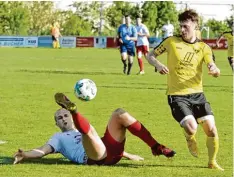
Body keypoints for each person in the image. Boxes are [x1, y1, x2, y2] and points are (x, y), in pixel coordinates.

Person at [146, 9, 224, 171]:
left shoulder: (204, 48)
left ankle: (212, 162)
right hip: (177, 95)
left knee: (211, 128)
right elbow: (150, 55)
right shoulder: (171, 41)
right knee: (191, 126)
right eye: (180, 26)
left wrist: (214, 70)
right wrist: (158, 65)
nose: (182, 30)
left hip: (198, 95)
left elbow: (213, 66)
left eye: (185, 26)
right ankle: (190, 137)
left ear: (195, 25)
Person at [14, 93, 176, 165]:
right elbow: (42, 151)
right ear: (56, 124)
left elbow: (98, 140)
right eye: (59, 118)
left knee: (119, 114)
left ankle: (156, 146)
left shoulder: (79, 129)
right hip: (94, 157)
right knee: (88, 132)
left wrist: (128, 155)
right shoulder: (58, 138)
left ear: (69, 118)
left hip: (111, 151)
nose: (63, 119)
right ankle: (75, 110)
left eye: (65, 115)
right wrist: (25, 155)